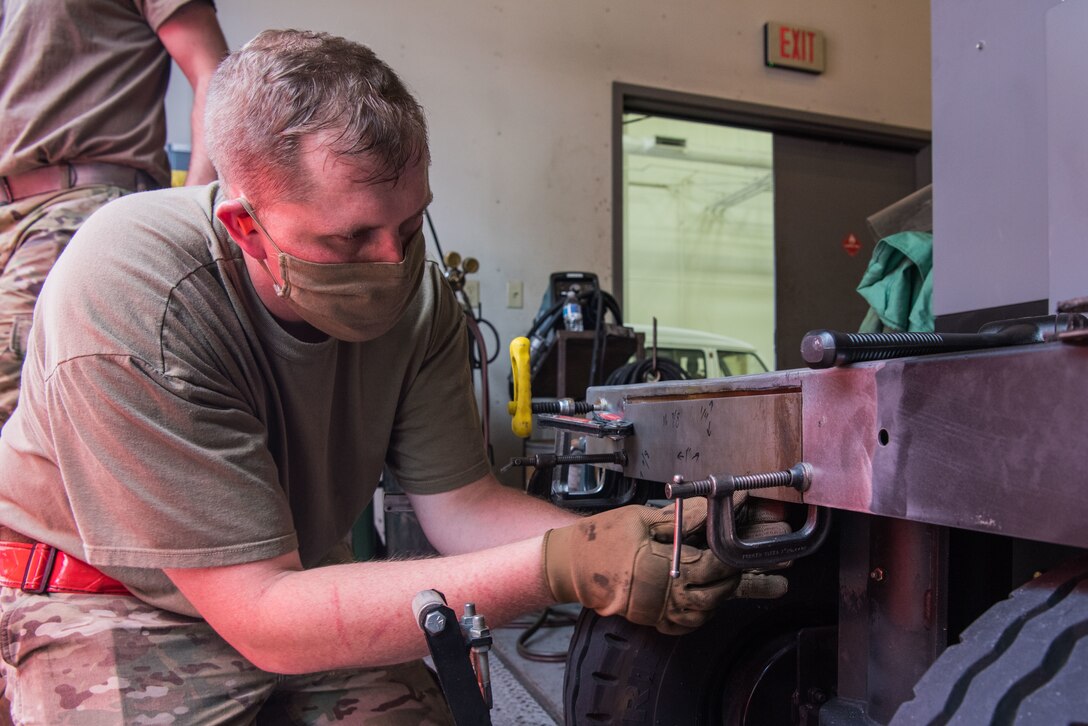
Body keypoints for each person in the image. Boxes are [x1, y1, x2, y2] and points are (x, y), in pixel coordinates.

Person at [0, 30, 787, 723]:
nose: (393, 262)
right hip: (99, 597)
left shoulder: (421, 298)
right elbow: (262, 616)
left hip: (291, 586)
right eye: (351, 239)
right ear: (246, 225)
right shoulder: (138, 289)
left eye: (409, 225)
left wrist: (620, 540)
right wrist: (564, 566)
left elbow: (464, 508)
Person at [0, 0, 229, 426]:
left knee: (20, 411)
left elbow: (213, 76)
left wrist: (191, 219)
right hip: (14, 212)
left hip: (74, 208)